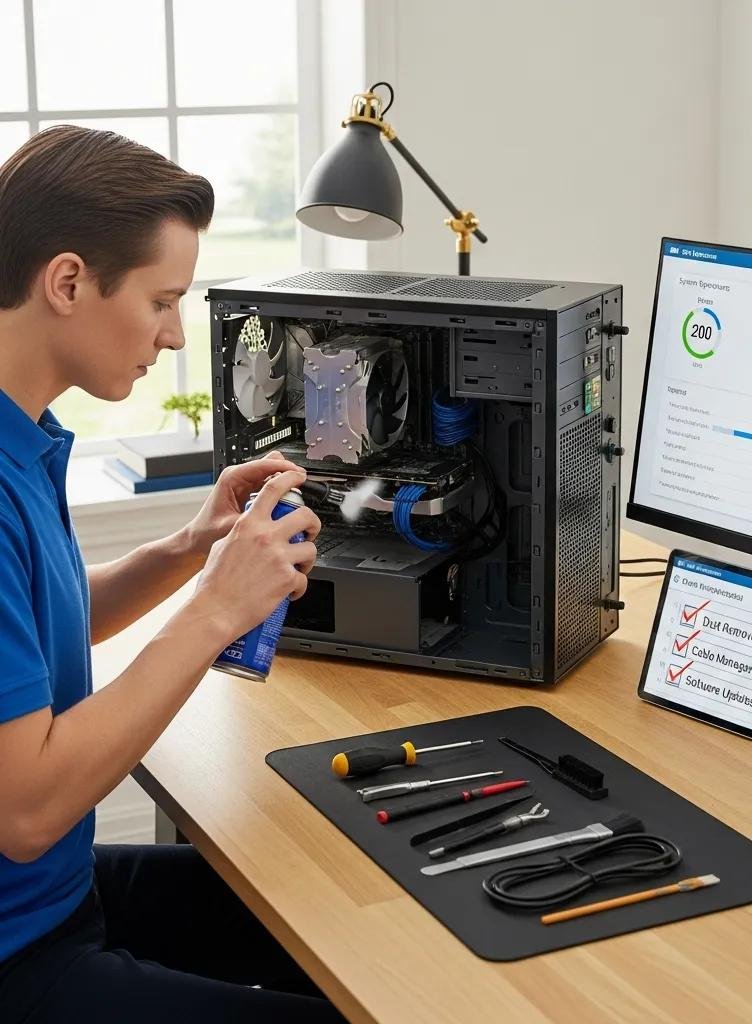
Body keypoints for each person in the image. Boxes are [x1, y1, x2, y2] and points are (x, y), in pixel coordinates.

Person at [0, 126, 342, 1021]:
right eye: (162, 301)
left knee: (341, 916)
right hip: (17, 953)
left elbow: (41, 628)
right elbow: (27, 813)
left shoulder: (23, 433)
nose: (174, 334)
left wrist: (189, 548)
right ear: (67, 282)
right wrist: (215, 611)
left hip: (56, 900)